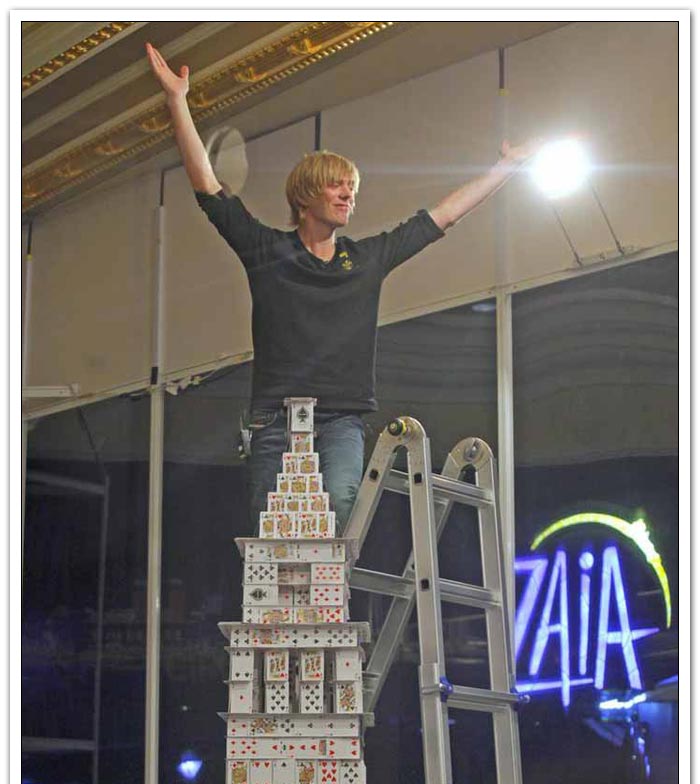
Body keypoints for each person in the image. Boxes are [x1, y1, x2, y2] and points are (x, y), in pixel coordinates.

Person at [146, 42, 538, 533]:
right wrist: (177, 102)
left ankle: (335, 585)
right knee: (269, 532)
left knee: (340, 511)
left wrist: (505, 169)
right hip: (274, 417)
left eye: (351, 187)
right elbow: (208, 188)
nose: (348, 194)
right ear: (305, 197)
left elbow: (442, 218)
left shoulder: (365, 260)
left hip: (341, 420)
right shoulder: (269, 252)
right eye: (337, 186)